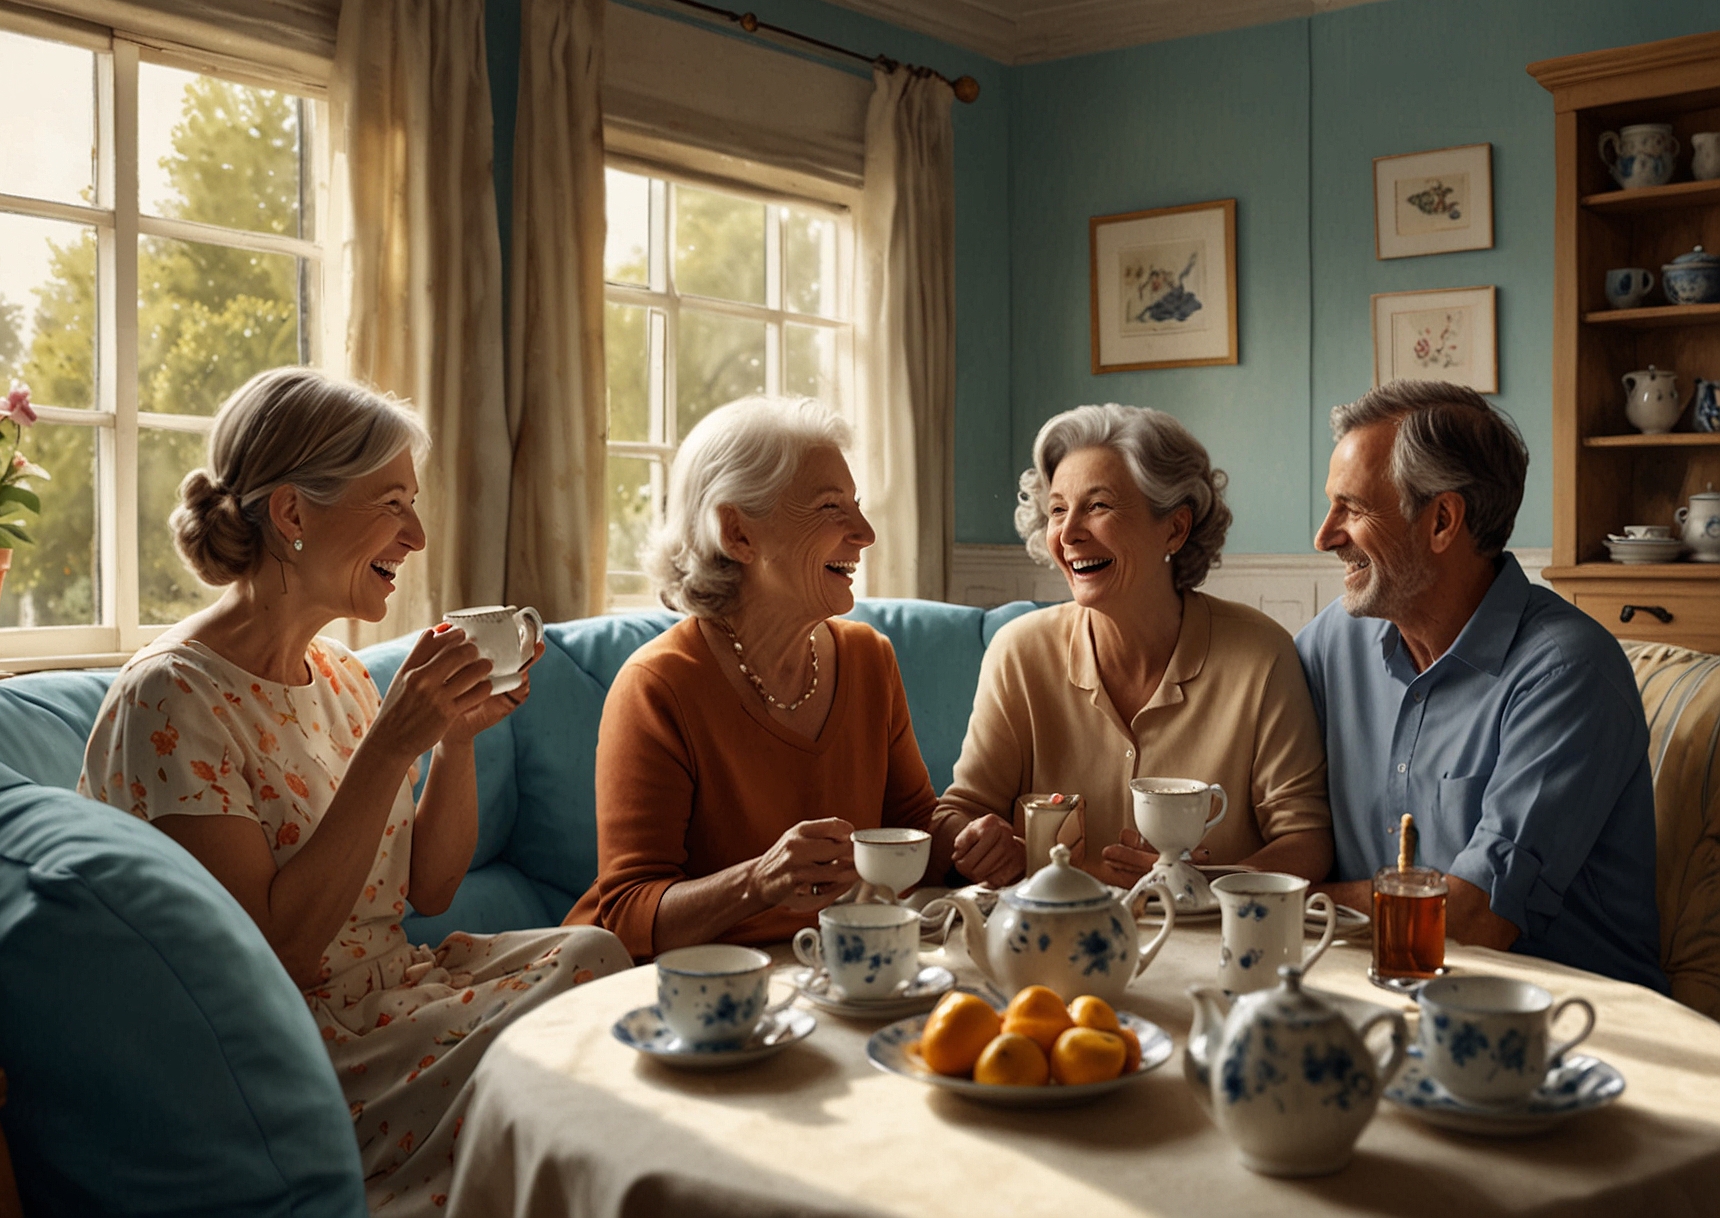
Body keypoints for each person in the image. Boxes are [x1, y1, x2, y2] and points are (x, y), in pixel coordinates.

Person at [77, 368, 629, 1215]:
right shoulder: (170, 698)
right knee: (573, 1035)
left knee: (595, 957)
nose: (414, 535)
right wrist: (387, 747)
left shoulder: (338, 674)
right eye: (392, 502)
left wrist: (451, 741)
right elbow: (277, 952)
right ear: (294, 515)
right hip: (287, 1047)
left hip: (391, 993)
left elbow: (429, 891)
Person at [1296, 380, 1666, 991]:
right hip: (1376, 987)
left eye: (1353, 508)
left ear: (1442, 520)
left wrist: (1275, 900)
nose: (1325, 535)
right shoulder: (1336, 640)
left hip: (1567, 1021)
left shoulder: (1569, 673)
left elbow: (1472, 917)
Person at [565, 396, 948, 959]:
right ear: (738, 534)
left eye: (857, 505)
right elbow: (626, 915)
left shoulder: (870, 658)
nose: (864, 532)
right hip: (692, 990)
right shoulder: (659, 685)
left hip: (828, 969)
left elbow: (911, 830)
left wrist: (969, 844)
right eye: (828, 508)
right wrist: (759, 882)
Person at [934, 403, 1333, 890]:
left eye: (1098, 505)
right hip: (1050, 945)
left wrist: (1203, 882)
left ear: (1175, 528)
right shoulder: (1019, 652)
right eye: (1058, 509)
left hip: (1207, 944)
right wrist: (980, 842)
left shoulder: (1261, 656)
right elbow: (959, 813)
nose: (1069, 532)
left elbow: (1307, 839)